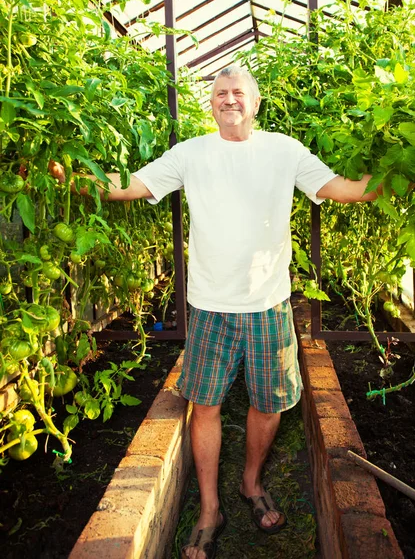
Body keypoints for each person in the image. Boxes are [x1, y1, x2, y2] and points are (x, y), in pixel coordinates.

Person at [50, 65, 381, 559]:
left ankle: (250, 482)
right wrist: (72, 178)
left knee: (268, 403)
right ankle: (209, 508)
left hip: (268, 304)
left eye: (238, 92)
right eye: (220, 93)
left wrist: (399, 173)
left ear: (256, 101)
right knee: (204, 406)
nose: (229, 100)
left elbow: (343, 188)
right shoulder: (192, 153)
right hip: (209, 306)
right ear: (211, 104)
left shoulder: (284, 150)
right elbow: (129, 186)